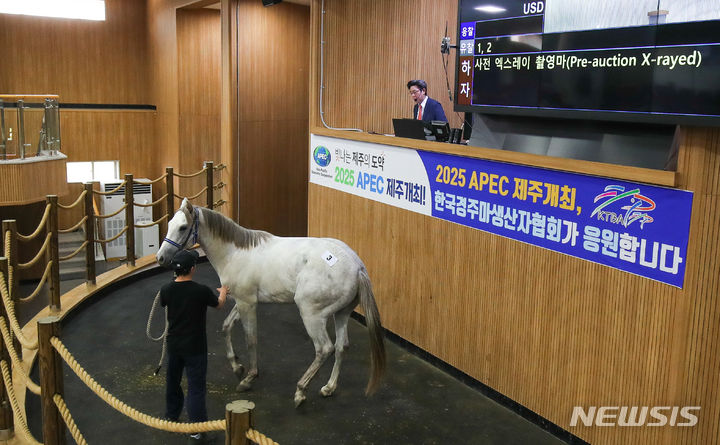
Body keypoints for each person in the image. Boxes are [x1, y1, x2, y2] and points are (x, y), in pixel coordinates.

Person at [160, 249, 228, 444]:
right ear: (192, 269)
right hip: (195, 347)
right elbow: (219, 305)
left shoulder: (166, 289)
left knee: (173, 380)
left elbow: (164, 303)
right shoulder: (201, 291)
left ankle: (172, 415)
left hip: (174, 344)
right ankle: (196, 430)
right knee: (196, 388)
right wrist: (223, 291)